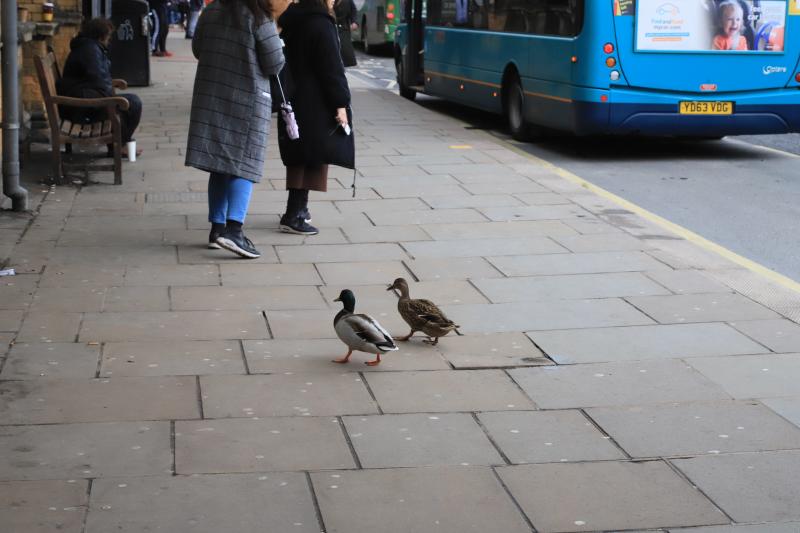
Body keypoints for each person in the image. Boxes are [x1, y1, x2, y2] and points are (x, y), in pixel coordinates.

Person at [185, 0, 284, 258]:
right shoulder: (259, 16)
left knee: (219, 164)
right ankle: (234, 231)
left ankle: (216, 230)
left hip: (212, 96)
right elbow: (274, 63)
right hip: (247, 100)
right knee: (244, 164)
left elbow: (198, 49)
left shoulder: (211, 11)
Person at [277, 0, 352, 235]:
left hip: (294, 95)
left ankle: (298, 209)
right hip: (317, 99)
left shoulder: (293, 19)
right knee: (313, 156)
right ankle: (295, 213)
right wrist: (341, 102)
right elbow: (331, 68)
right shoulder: (321, 23)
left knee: (300, 154)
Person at [57, 17, 142, 158]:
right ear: (101, 36)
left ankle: (120, 145)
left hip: (79, 99)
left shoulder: (88, 46)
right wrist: (112, 97)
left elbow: (98, 78)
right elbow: (98, 79)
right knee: (133, 103)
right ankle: (119, 146)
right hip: (80, 108)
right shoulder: (90, 50)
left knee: (128, 103)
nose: (109, 40)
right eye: (108, 36)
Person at [334, 0, 358, 67]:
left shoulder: (348, 1)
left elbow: (353, 11)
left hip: (344, 28)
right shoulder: (329, 2)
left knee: (346, 52)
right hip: (332, 26)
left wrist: (354, 22)